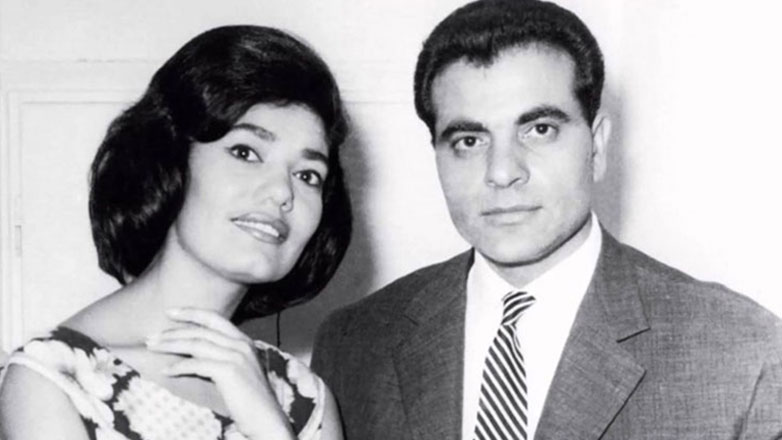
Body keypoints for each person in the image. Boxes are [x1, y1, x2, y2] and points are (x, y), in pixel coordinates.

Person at [311, 0, 782, 439]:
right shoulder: (353, 345)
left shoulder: (741, 353)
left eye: (540, 130)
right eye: (469, 141)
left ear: (597, 146)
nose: (502, 172)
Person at [0, 25, 351, 440]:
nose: (281, 192)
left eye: (308, 174)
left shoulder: (306, 398)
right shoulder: (51, 382)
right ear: (170, 162)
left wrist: (268, 425)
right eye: (245, 152)